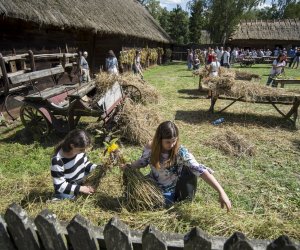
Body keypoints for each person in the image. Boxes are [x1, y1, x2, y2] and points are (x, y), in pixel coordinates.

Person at [123, 121, 232, 211]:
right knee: (132, 198)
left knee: (156, 206)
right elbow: (143, 162)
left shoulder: (181, 152)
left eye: (174, 141)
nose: (171, 145)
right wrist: (129, 166)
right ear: (159, 139)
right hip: (151, 183)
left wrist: (221, 192)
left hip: (169, 189)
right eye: (167, 142)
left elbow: (200, 170)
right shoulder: (151, 147)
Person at [50, 129, 100, 200]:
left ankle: (79, 190)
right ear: (72, 145)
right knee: (66, 196)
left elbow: (86, 164)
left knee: (94, 183)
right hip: (67, 186)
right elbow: (60, 185)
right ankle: (59, 198)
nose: (84, 151)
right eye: (82, 149)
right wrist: (81, 188)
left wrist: (98, 168)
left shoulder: (80, 152)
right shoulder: (57, 160)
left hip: (80, 180)